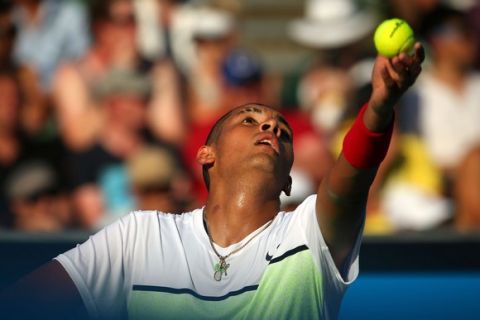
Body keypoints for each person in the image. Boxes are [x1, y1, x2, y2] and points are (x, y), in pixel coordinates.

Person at [0, 41, 425, 319]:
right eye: (249, 119)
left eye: (283, 130)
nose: (271, 128)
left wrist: (380, 107)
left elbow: (350, 177)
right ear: (206, 154)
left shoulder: (311, 233)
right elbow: (23, 305)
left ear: (289, 182)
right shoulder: (138, 235)